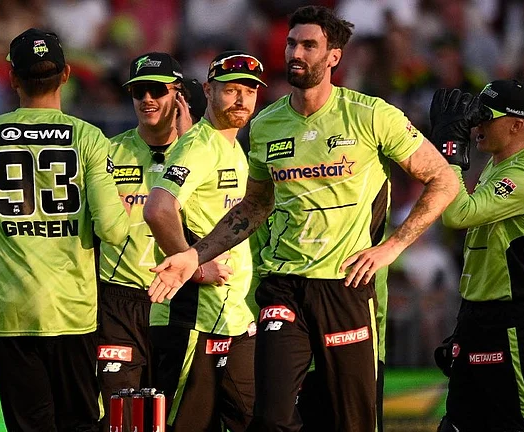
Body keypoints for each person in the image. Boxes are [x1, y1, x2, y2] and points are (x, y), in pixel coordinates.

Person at [147, 6, 461, 431]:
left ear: (334, 56)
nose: (295, 52)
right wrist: (193, 256)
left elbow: (443, 180)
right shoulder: (266, 125)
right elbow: (254, 206)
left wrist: (393, 247)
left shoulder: (371, 115)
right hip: (284, 286)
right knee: (271, 418)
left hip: (345, 285)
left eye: (308, 45)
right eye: (291, 43)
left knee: (353, 421)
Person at [0, 29, 129, 431]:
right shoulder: (89, 138)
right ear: (66, 75)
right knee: (80, 424)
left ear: (13, 78)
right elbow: (113, 231)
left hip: (11, 314)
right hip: (73, 312)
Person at [141, 50, 266, 431]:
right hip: (190, 318)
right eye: (231, 90)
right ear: (209, 90)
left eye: (250, 90)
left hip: (231, 317)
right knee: (182, 424)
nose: (242, 99)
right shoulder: (200, 145)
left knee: (253, 418)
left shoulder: (233, 146)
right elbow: (158, 209)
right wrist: (191, 266)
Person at [434, 80, 524, 432]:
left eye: (487, 117)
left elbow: (457, 215)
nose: (477, 125)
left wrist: (451, 152)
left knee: (514, 426)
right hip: (481, 312)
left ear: (518, 125)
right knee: (457, 425)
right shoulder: (500, 164)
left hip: (516, 315)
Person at [96, 51, 195, 432]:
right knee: (121, 415)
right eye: (139, 91)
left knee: (176, 417)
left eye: (157, 90)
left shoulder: (203, 151)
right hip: (119, 300)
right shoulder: (107, 152)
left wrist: (190, 142)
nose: (147, 99)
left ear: (179, 96)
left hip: (180, 299)